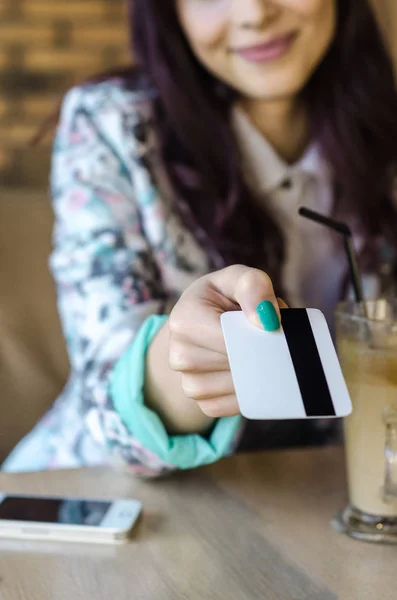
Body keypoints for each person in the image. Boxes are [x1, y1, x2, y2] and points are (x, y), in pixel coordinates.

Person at [3, 0, 397, 475]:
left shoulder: (385, 132)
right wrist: (180, 362)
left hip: (320, 499)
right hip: (94, 496)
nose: (254, 13)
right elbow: (104, 381)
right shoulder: (112, 123)